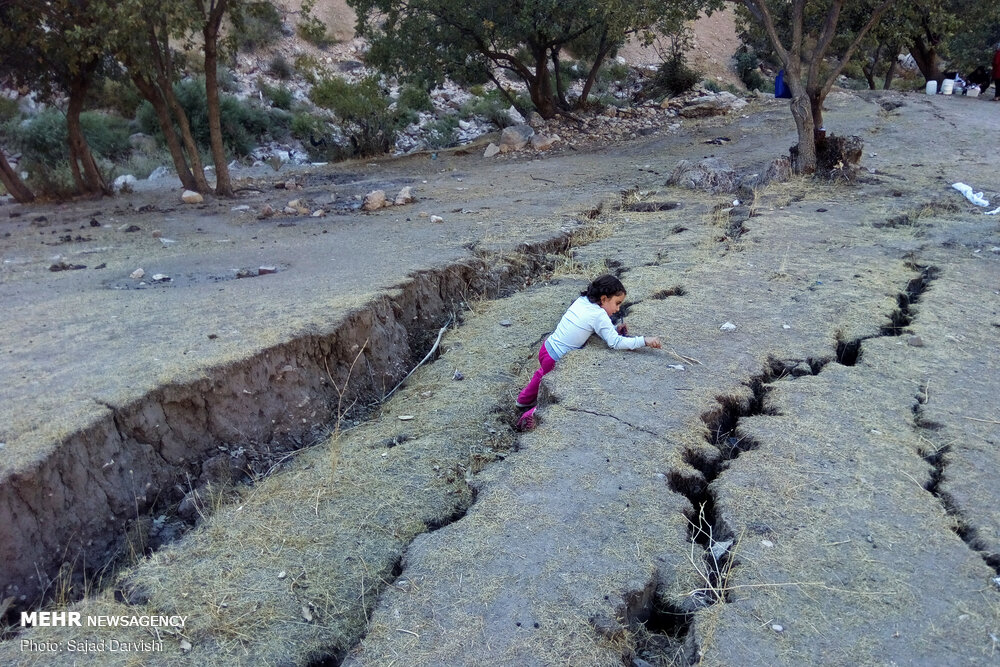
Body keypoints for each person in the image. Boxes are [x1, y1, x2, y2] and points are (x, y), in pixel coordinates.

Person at [515, 275, 662, 430]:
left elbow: (590, 325)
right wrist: (644, 340)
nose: (618, 309)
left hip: (547, 347)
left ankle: (523, 401)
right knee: (555, 391)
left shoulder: (582, 301)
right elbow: (615, 342)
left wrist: (613, 329)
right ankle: (531, 416)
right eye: (617, 303)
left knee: (541, 374)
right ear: (604, 299)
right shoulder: (598, 315)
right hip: (556, 359)